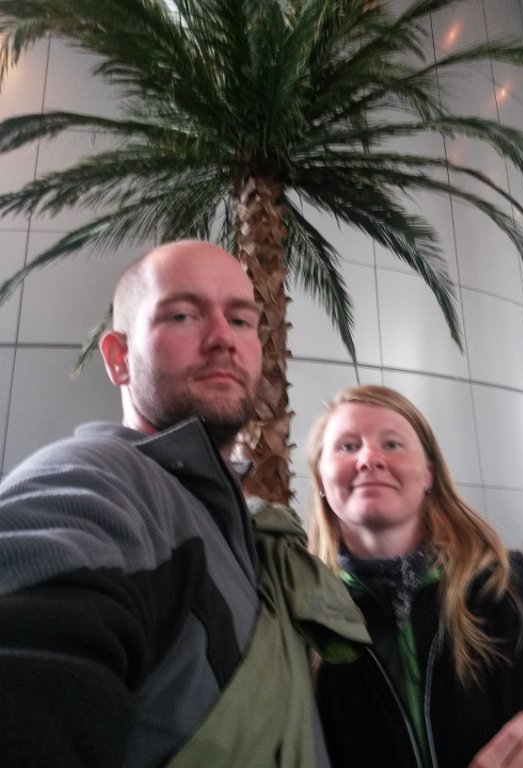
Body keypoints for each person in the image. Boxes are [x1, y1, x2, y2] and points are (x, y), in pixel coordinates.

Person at [0, 240, 369, 768]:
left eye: (241, 320)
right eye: (181, 315)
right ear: (119, 358)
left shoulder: (245, 531)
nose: (223, 338)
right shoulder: (101, 485)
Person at [307, 384, 523, 768]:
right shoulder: (300, 621)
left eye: (392, 444)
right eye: (347, 447)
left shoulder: (518, 593)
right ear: (320, 478)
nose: (369, 459)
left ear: (429, 474)